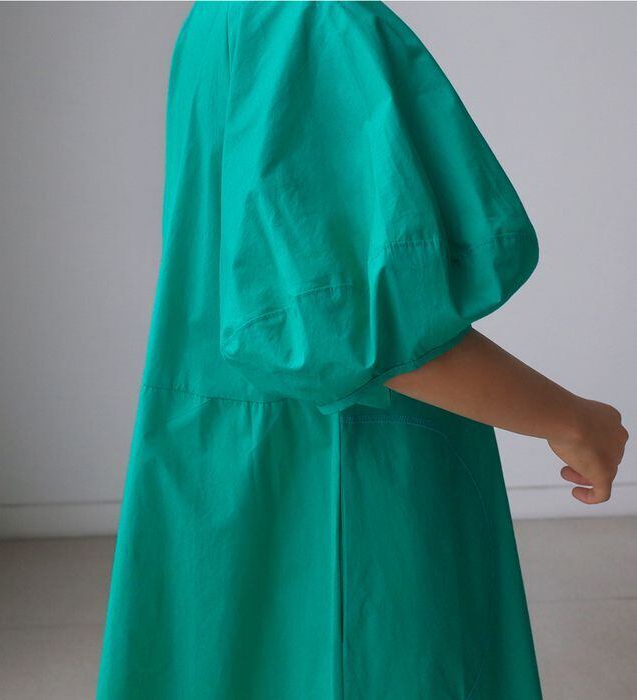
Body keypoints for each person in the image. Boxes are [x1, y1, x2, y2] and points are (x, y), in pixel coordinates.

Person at [97, 3, 628, 699]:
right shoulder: (309, 20)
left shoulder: (227, 13)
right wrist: (573, 420)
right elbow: (344, 334)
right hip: (344, 468)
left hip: (242, 457)